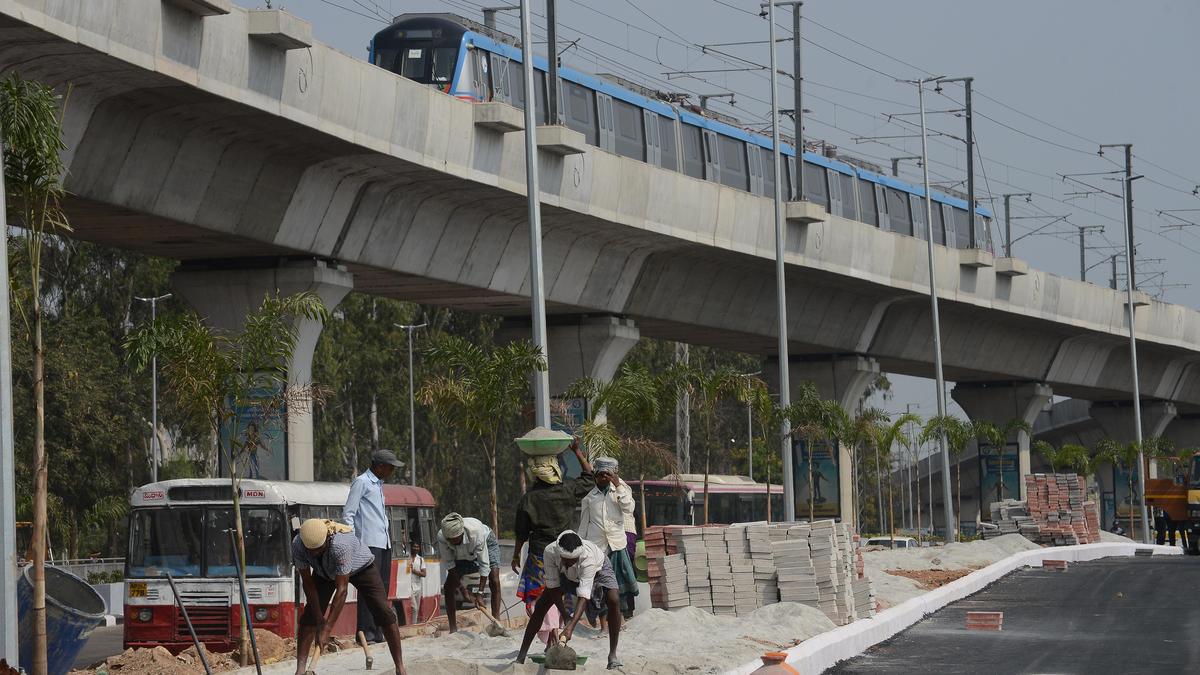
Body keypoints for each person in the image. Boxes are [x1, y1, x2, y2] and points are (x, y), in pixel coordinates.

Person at [292, 519, 406, 675]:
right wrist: (319, 619)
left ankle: (400, 667)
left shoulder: (340, 545)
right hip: (325, 573)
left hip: (360, 568)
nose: (313, 554)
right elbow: (308, 584)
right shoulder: (298, 545)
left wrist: (327, 628)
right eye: (310, 550)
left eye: (318, 549)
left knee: (383, 611)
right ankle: (299, 671)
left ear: (326, 539)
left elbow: (342, 590)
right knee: (309, 616)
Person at [516, 531, 624, 670]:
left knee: (613, 599)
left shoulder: (588, 558)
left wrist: (570, 627)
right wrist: (565, 615)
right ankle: (521, 655)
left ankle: (612, 656)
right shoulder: (550, 552)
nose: (568, 563)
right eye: (565, 560)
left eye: (572, 560)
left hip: (599, 570)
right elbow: (553, 587)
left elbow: (583, 596)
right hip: (565, 576)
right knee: (542, 605)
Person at [512, 439, 595, 614]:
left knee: (540, 598)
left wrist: (516, 555)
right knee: (561, 596)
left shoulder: (528, 499)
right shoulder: (568, 489)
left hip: (539, 555)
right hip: (563, 553)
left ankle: (550, 635)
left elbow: (521, 533)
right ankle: (559, 630)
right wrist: (577, 451)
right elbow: (589, 477)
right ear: (556, 470)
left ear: (535, 474)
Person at [343, 449, 403, 643]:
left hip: (383, 542)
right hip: (368, 543)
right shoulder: (362, 482)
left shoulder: (378, 485)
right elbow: (349, 514)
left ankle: (378, 630)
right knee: (369, 587)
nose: (392, 471)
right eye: (390, 467)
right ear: (379, 466)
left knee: (382, 589)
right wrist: (352, 542)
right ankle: (365, 632)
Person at [577, 457, 639, 627]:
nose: (604, 478)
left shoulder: (621, 491)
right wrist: (581, 547)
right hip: (598, 550)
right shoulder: (589, 498)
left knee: (619, 588)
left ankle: (621, 621)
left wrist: (617, 485)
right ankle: (604, 625)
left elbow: (629, 508)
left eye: (607, 474)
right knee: (600, 589)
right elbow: (583, 525)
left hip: (617, 546)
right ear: (595, 476)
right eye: (601, 474)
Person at [437, 512, 501, 633]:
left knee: (494, 578)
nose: (454, 542)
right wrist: (463, 590)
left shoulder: (476, 531)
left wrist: (479, 594)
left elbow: (484, 564)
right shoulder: (442, 537)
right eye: (451, 540)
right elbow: (450, 566)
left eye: (457, 539)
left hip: (486, 541)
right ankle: (453, 629)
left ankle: (496, 622)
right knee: (448, 586)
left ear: (462, 533)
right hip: (462, 555)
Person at [614, 472, 638, 620]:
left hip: (625, 533)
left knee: (625, 571)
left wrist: (616, 485)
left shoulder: (621, 486)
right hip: (611, 535)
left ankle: (627, 610)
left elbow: (628, 507)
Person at [408, 542, 427, 624]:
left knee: (417, 608)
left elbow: (424, 574)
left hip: (418, 586)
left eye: (417, 547)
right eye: (414, 547)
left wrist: (414, 571)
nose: (416, 548)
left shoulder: (420, 559)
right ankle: (413, 624)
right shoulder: (406, 557)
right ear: (411, 547)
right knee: (414, 607)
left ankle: (414, 625)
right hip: (408, 586)